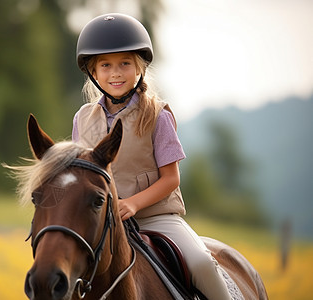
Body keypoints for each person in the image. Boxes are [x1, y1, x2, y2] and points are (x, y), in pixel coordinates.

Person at [72, 13, 232, 300]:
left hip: (156, 218)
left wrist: (132, 204)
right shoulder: (82, 119)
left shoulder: (157, 115)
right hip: (101, 221)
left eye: (125, 63)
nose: (116, 73)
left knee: (203, 263)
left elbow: (171, 179)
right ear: (94, 74)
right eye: (106, 65)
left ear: (139, 69)